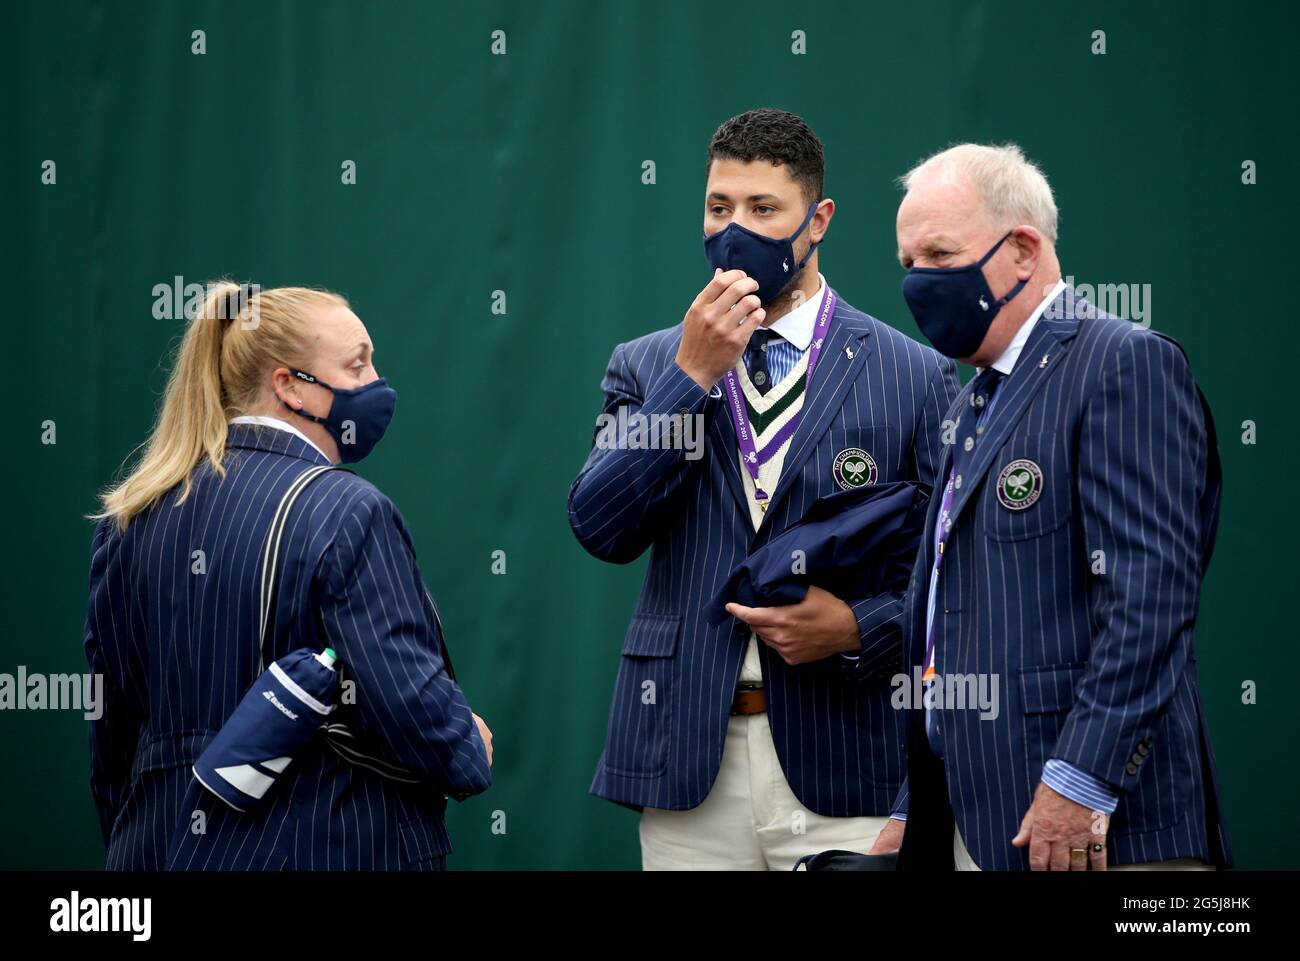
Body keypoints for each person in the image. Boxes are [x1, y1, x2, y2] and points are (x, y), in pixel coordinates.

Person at [569, 109, 960, 870]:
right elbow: (598, 525)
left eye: (762, 210)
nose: (734, 231)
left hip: (849, 764)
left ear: (817, 222)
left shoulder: (914, 373)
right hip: (690, 767)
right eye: (719, 208)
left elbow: (954, 573)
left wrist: (857, 626)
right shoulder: (649, 364)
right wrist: (690, 378)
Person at [875, 143, 1231, 870]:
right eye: (908, 264)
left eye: (939, 256)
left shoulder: (1123, 363)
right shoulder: (972, 395)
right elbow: (948, 619)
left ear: (1025, 251)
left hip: (1103, 835)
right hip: (985, 824)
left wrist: (1080, 782)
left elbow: (1149, 600)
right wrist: (916, 808)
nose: (918, 284)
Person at [83, 281, 492, 870]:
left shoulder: (129, 520)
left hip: (155, 850)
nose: (377, 383)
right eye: (358, 365)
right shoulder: (347, 510)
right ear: (290, 386)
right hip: (328, 846)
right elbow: (407, 701)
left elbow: (111, 733)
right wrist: (464, 745)